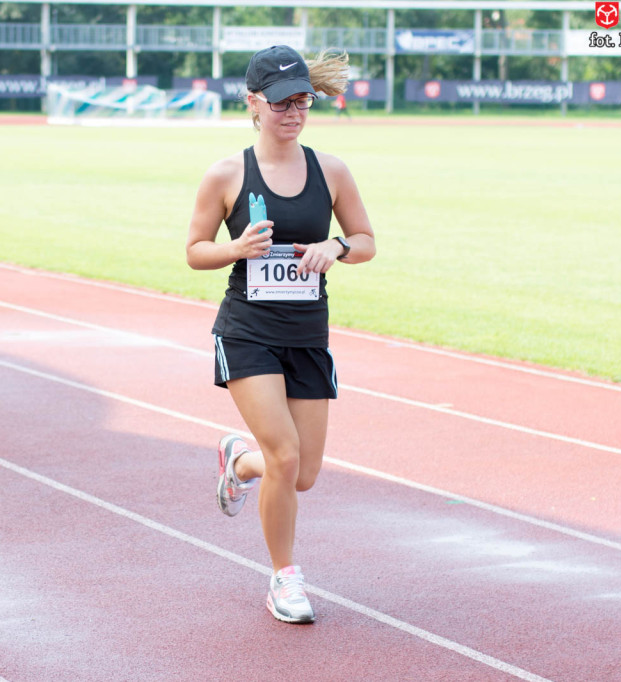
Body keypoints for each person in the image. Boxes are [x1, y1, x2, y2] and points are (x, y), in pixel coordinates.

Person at [185, 45, 375, 624]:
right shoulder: (227, 174)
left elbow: (366, 240)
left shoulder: (331, 170)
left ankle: (240, 461)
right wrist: (236, 249)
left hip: (307, 335)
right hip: (248, 331)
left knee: (304, 473)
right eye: (281, 103)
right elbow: (195, 251)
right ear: (253, 104)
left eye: (303, 101)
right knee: (286, 456)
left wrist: (335, 247)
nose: (294, 113)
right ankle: (284, 580)